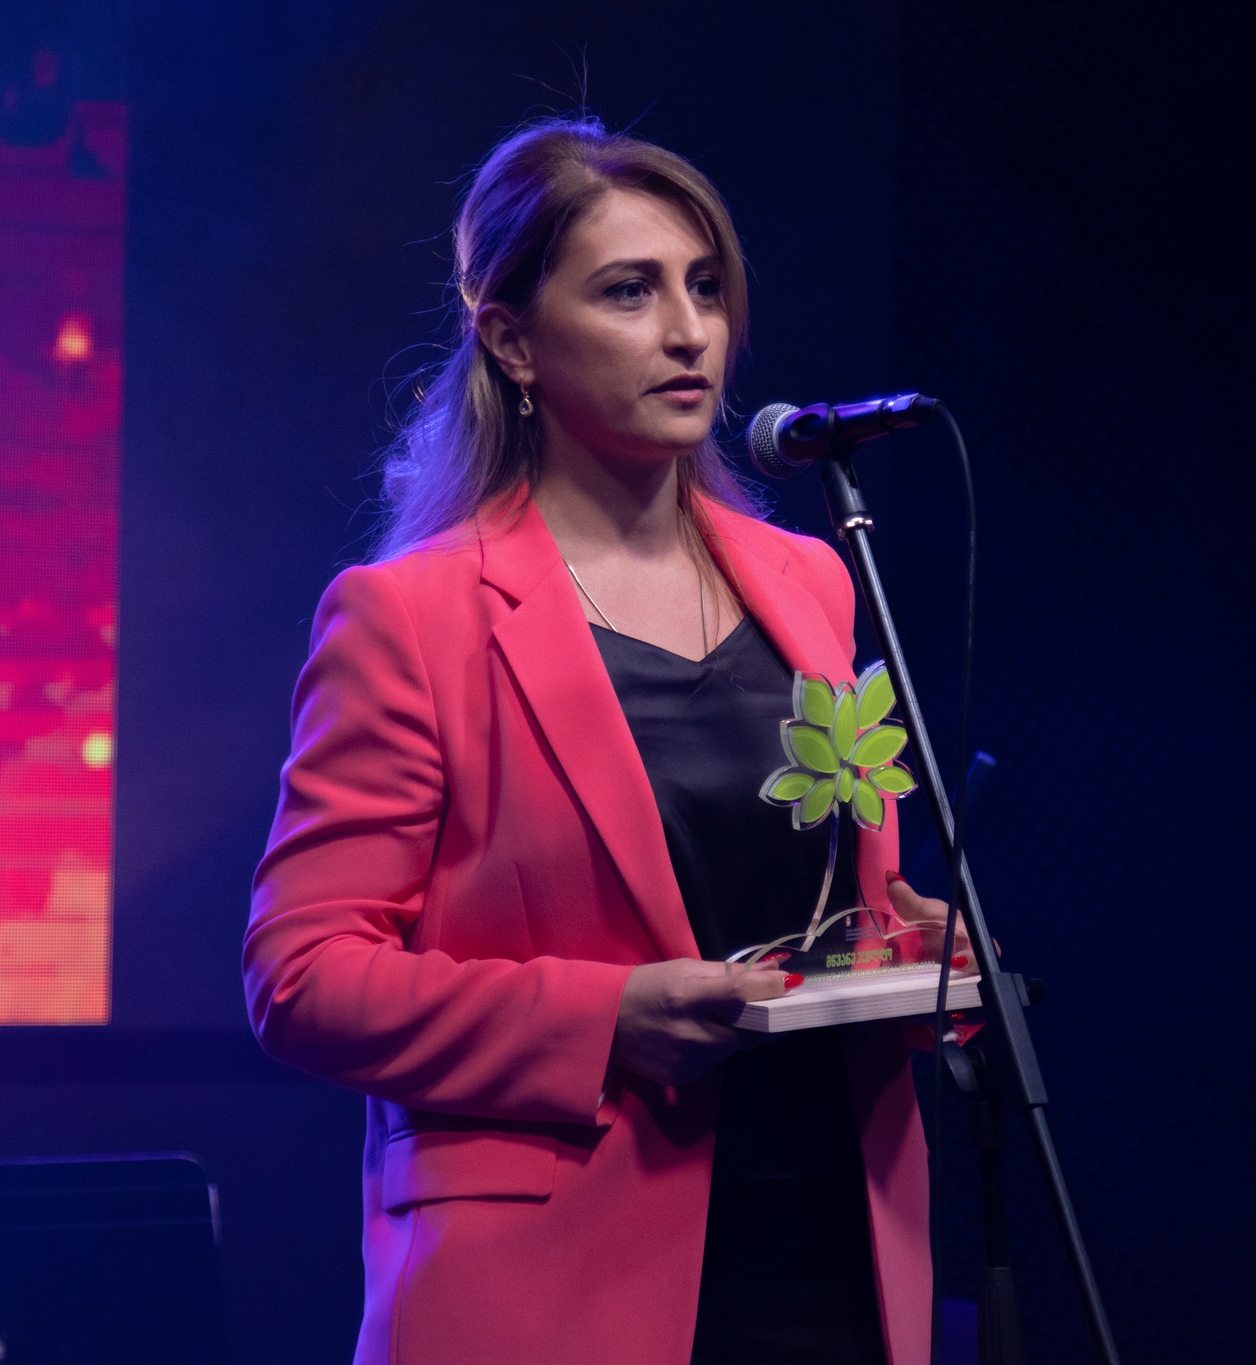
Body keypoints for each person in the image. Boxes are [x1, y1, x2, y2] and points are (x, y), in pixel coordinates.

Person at [242, 118, 967, 1365]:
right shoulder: (409, 616)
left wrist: (914, 951)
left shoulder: (809, 580)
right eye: (630, 291)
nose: (689, 332)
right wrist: (602, 1018)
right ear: (511, 339)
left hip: (830, 1246)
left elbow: (823, 906)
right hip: (554, 1278)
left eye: (705, 287)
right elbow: (301, 976)